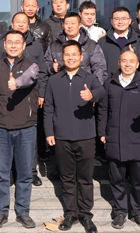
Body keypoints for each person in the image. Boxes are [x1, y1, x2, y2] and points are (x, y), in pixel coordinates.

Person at [44, 40, 106, 233]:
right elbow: (48, 108)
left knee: (85, 178)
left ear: (81, 57)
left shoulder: (89, 78)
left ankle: (86, 214)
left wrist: (92, 95)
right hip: (62, 137)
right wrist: (49, 132)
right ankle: (71, 212)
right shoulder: (54, 80)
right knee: (68, 177)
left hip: (85, 136)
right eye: (67, 54)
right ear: (62, 57)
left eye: (74, 54)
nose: (70, 57)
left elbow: (101, 92)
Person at [97, 51, 140, 230]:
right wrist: (102, 131)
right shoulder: (110, 83)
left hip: (137, 139)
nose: (128, 64)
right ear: (119, 63)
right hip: (114, 138)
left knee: (138, 181)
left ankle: (138, 212)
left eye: (132, 61)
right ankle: (120, 212)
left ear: (137, 64)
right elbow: (103, 110)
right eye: (124, 61)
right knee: (117, 180)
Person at [0, 30, 39, 229]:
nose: (13, 45)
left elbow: (30, 78)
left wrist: (17, 82)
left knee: (24, 173)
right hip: (0, 127)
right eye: (10, 42)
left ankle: (23, 212)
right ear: (4, 45)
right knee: (1, 173)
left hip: (26, 127)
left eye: (17, 42)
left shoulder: (31, 65)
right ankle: (1, 212)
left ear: (23, 45)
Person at [10, 12, 49, 186]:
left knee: (29, 136)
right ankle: (12, 171)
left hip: (30, 96)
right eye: (17, 21)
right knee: (10, 135)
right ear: (12, 24)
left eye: (24, 22)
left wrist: (41, 93)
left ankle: (31, 171)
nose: (20, 24)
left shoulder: (36, 46)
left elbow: (43, 71)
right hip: (9, 97)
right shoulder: (5, 43)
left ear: (29, 25)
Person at [45, 12, 108, 84]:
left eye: (73, 23)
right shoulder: (54, 46)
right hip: (61, 85)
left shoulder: (91, 45)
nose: (70, 26)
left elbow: (100, 69)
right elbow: (45, 65)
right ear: (63, 25)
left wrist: (94, 87)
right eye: (67, 23)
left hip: (85, 86)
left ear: (80, 25)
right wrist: (52, 68)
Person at [97, 7, 140, 77]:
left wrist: (136, 55)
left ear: (130, 21)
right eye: (116, 19)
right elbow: (97, 65)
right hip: (110, 82)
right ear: (111, 21)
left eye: (124, 18)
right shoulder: (103, 41)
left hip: (135, 82)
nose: (120, 22)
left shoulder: (139, 39)